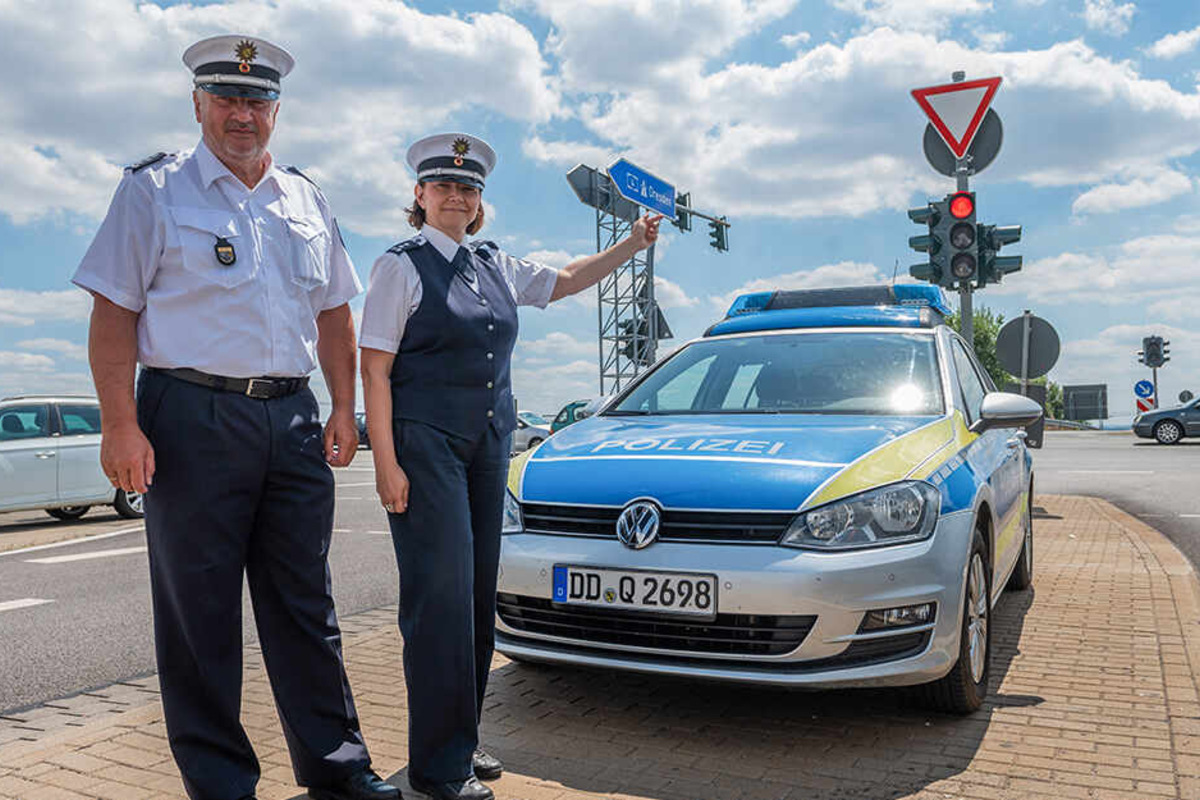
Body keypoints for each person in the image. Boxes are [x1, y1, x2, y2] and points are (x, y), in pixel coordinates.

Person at [72, 34, 399, 800]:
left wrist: (343, 409)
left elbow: (335, 316)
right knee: (200, 618)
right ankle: (222, 785)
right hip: (189, 416)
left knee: (305, 607)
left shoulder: (306, 200)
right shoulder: (154, 191)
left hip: (289, 419)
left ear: (276, 112)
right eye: (226, 98)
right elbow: (114, 311)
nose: (241, 114)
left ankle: (338, 772)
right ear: (197, 104)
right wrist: (120, 423)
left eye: (256, 101)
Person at [359, 133, 662, 800]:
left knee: (472, 598)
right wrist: (385, 462)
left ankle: (458, 744)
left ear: (478, 203)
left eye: (468, 189)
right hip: (425, 443)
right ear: (419, 195)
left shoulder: (492, 261)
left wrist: (632, 245)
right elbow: (375, 370)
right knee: (438, 601)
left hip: (487, 444)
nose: (456, 196)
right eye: (443, 186)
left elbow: (567, 279)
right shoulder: (400, 266)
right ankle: (437, 772)